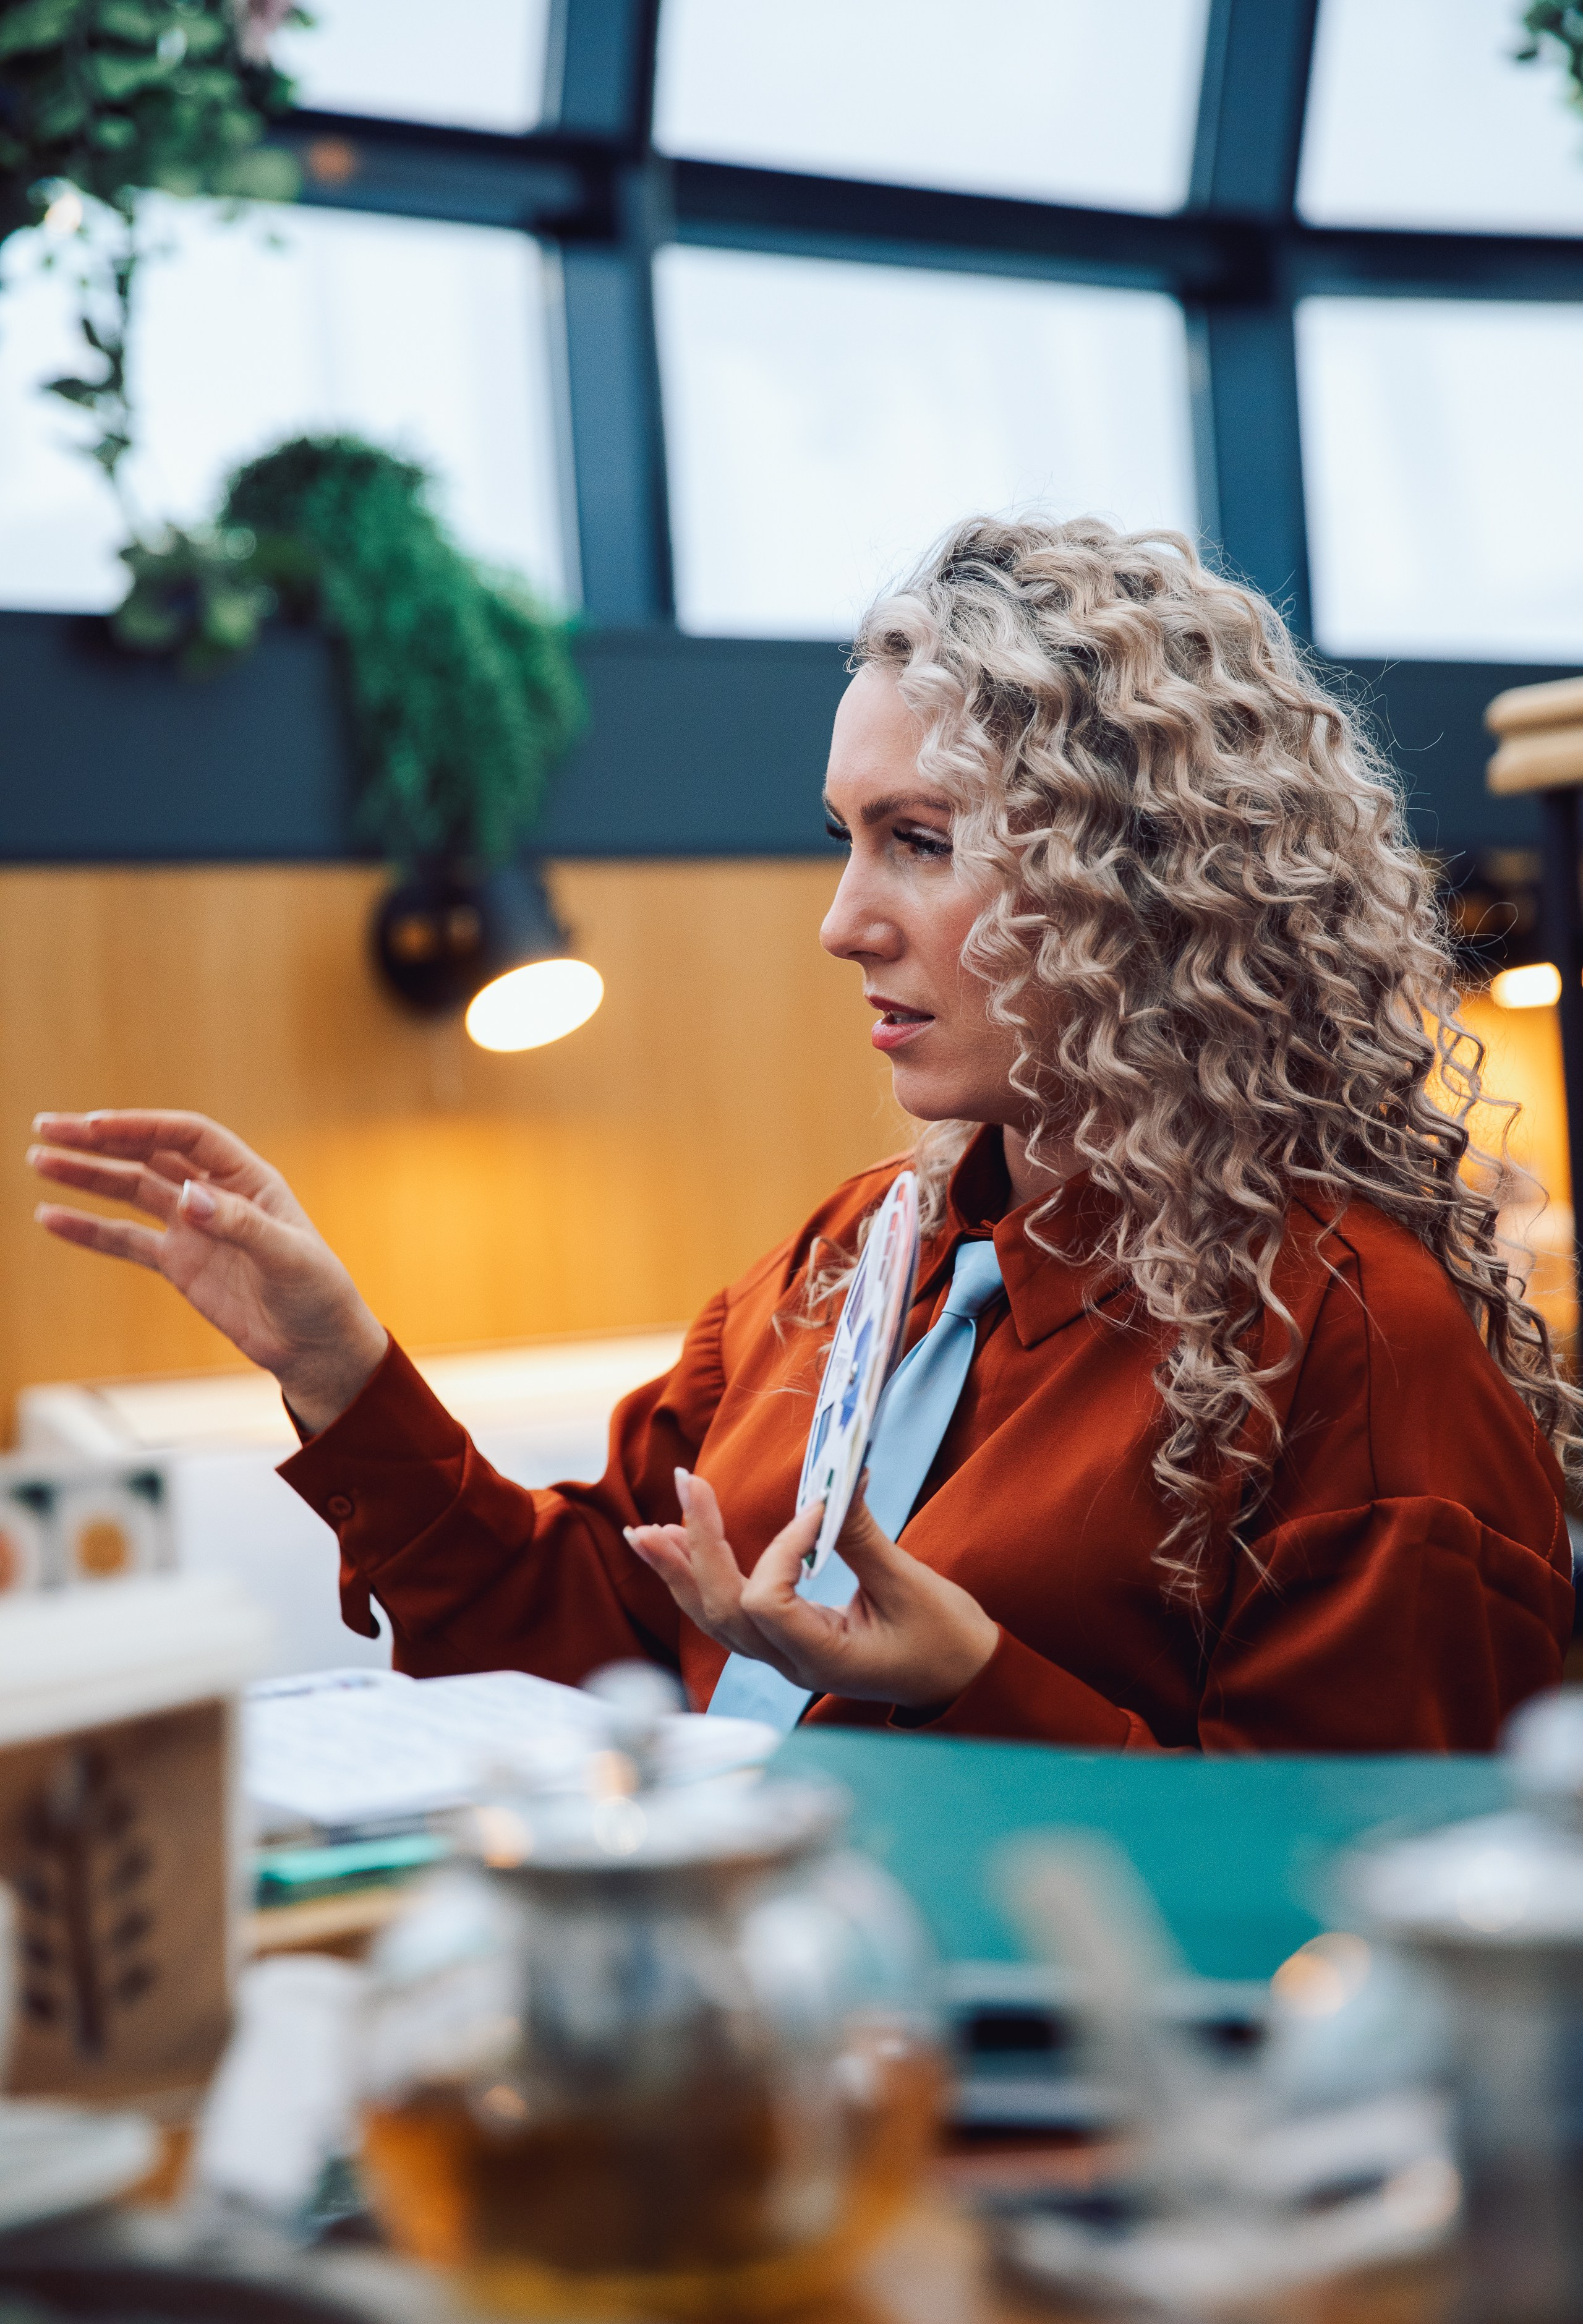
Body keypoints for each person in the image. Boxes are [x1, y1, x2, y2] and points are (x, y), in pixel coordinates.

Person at [28, 518, 1578, 1751]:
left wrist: (965, 1680)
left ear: (1145, 886)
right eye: (844, 843)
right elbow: (599, 1638)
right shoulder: (847, 1264)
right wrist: (332, 1365)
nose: (843, 925)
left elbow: (1343, 1911)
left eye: (919, 844)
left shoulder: (1351, 1343)